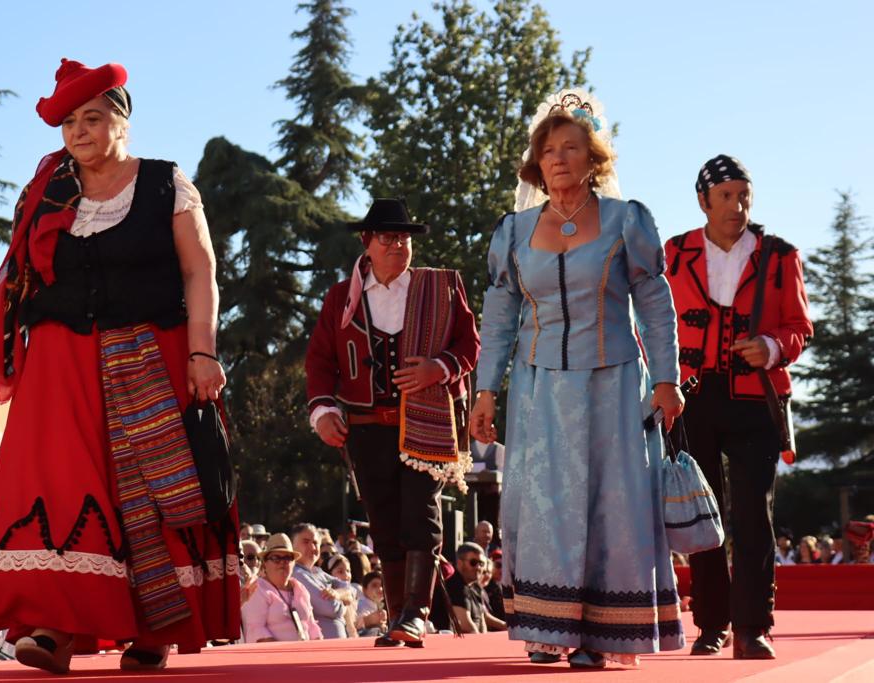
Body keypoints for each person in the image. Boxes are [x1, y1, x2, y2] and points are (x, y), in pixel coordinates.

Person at [0, 59, 240, 674]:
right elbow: (9, 286)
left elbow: (201, 272)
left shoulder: (167, 183)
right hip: (61, 364)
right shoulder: (44, 194)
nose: (78, 132)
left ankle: (155, 630)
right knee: (54, 484)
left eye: (92, 117)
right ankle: (54, 625)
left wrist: (203, 351)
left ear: (123, 122)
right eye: (68, 124)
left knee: (153, 490)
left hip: (154, 356)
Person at [470, 89, 685, 668]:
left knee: (612, 503)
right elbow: (498, 318)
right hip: (539, 388)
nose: (560, 158)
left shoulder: (626, 220)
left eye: (572, 148)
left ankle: (603, 637)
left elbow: (656, 303)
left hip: (614, 382)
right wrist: (485, 389)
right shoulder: (513, 232)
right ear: (536, 163)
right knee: (544, 502)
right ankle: (549, 628)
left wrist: (667, 377)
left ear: (594, 159)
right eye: (549, 149)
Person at [306, 198, 480, 647]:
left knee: (420, 514)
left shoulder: (439, 287)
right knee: (383, 520)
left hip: (425, 416)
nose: (399, 245)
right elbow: (321, 361)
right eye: (388, 237)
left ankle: (415, 613)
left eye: (404, 238)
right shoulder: (341, 297)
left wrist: (437, 368)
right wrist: (323, 411)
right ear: (367, 243)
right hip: (365, 425)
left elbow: (469, 342)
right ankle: (398, 614)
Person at [665, 155, 813, 660]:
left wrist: (771, 347)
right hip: (693, 397)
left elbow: (799, 326)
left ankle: (753, 628)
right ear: (704, 201)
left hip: (756, 400)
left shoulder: (779, 255)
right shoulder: (675, 253)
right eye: (726, 195)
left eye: (744, 194)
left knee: (754, 516)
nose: (737, 205)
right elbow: (652, 319)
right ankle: (711, 624)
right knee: (702, 518)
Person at [240, 533, 322, 643]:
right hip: (273, 657)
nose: (282, 562)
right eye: (275, 558)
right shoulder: (257, 589)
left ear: (294, 563)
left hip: (305, 654)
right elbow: (256, 630)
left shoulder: (300, 588)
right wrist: (285, 653)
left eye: (288, 558)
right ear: (264, 563)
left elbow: (311, 625)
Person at [290, 524, 351, 639]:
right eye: (306, 542)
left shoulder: (318, 572)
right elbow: (331, 608)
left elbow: (350, 589)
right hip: (322, 648)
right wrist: (345, 601)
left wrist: (338, 594)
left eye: (315, 543)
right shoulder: (296, 574)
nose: (312, 548)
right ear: (292, 546)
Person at [444, 543, 487, 634]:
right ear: (460, 563)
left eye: (481, 563)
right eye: (473, 562)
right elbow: (466, 626)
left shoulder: (476, 587)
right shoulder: (455, 585)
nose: (478, 567)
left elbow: (482, 621)